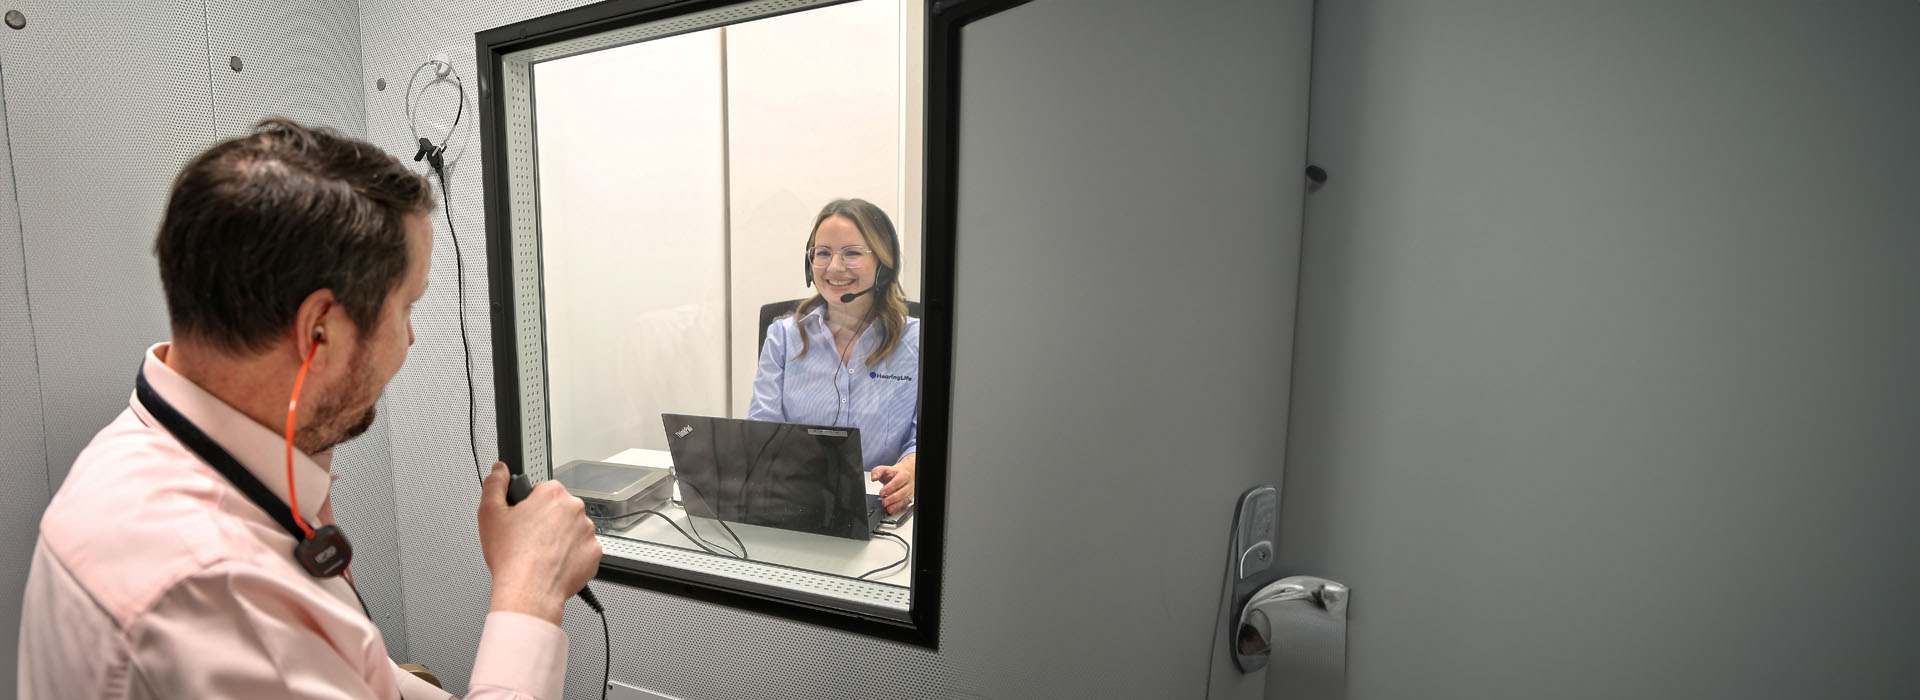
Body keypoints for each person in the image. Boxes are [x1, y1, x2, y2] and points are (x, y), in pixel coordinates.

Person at [15, 118, 602, 699]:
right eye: (407, 309)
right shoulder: (217, 591)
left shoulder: (151, 453)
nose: (411, 340)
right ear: (320, 332)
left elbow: (340, 669)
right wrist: (530, 590)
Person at [749, 199, 920, 516]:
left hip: (882, 508)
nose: (834, 267)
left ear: (885, 263)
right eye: (823, 253)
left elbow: (925, 437)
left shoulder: (918, 341)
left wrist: (910, 470)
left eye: (852, 253)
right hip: (795, 503)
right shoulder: (784, 337)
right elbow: (762, 434)